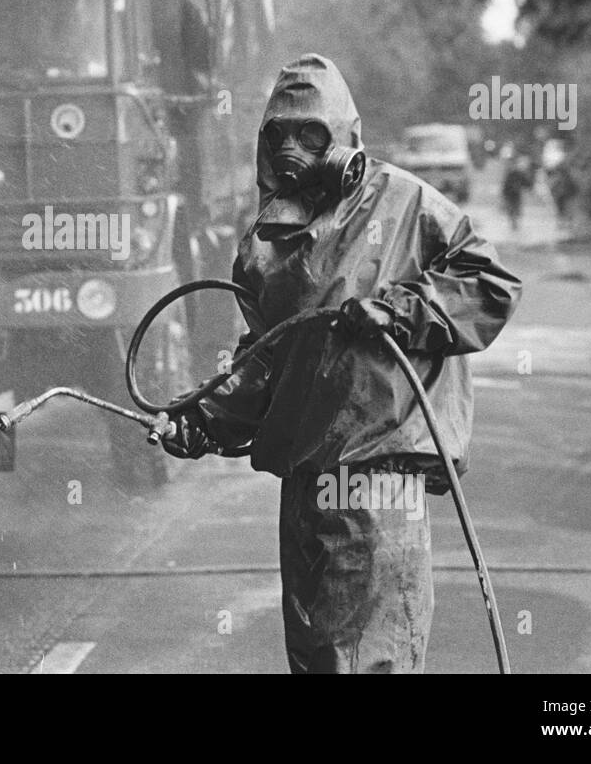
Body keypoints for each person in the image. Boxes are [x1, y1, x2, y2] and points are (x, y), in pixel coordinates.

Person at [164, 54, 521, 673]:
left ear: (346, 138)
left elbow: (491, 285)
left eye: (311, 133)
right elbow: (267, 362)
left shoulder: (408, 204)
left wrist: (403, 311)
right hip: (307, 485)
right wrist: (201, 420)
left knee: (373, 657)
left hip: (380, 475)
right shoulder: (265, 242)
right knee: (320, 657)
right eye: (278, 133)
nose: (292, 148)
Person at [501, 152, 534, 232]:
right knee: (512, 210)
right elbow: (505, 185)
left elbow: (527, 183)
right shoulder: (510, 173)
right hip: (510, 194)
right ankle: (514, 224)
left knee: (515, 210)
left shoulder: (518, 173)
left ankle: (515, 224)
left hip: (515, 194)